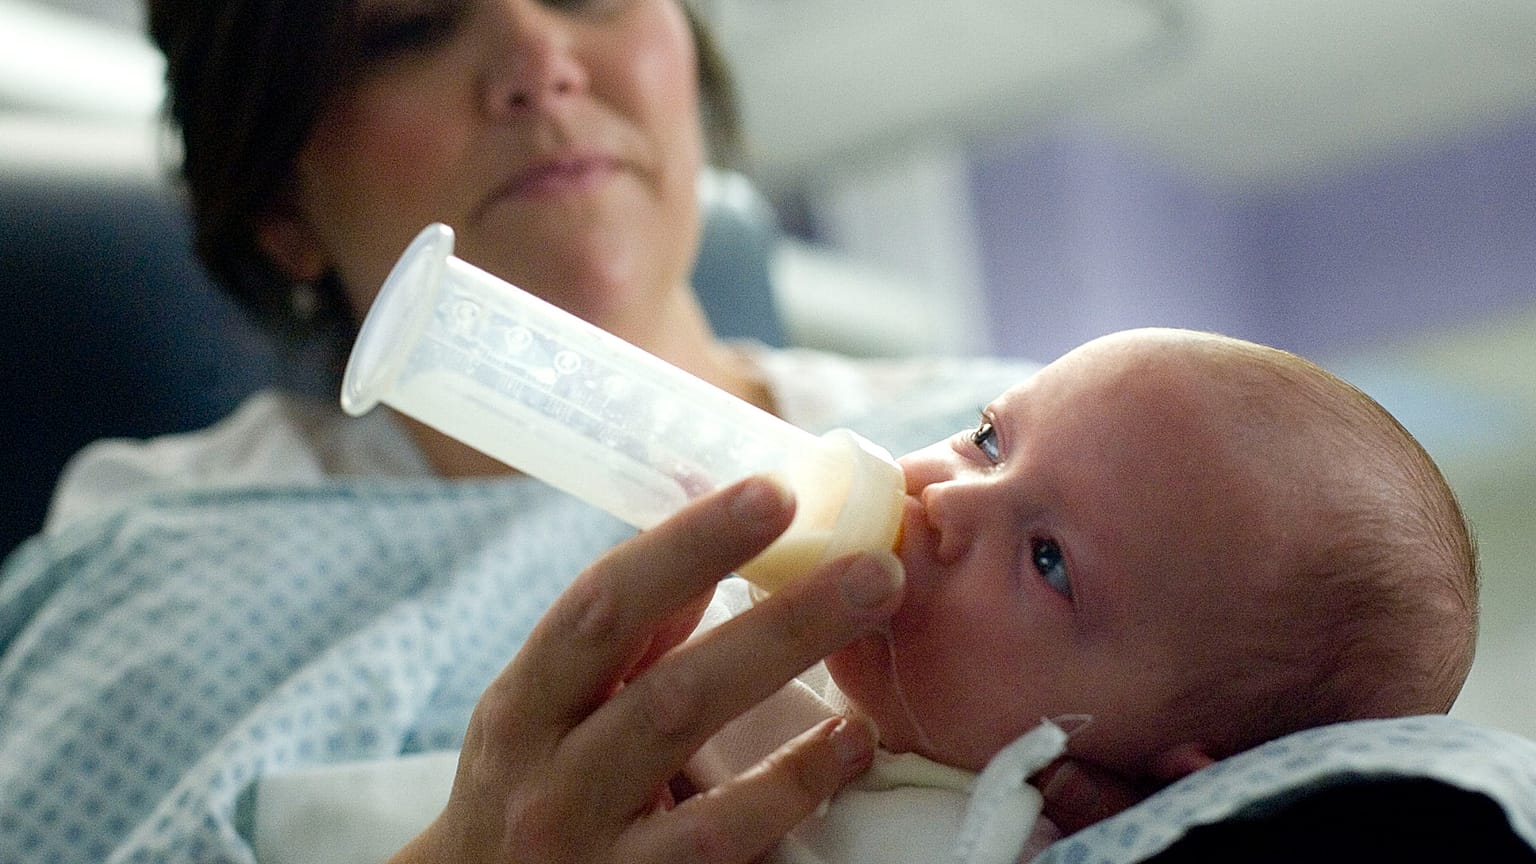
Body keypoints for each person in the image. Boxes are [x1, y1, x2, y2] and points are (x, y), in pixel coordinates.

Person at [0, 1, 1033, 863]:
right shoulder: (169, 543)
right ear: (282, 207)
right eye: (408, 28)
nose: (539, 63)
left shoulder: (1037, 431)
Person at [679, 327, 1480, 863]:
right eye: (989, 441)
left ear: (1177, 784)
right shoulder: (752, 617)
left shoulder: (978, 843)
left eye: (1049, 560)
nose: (947, 499)